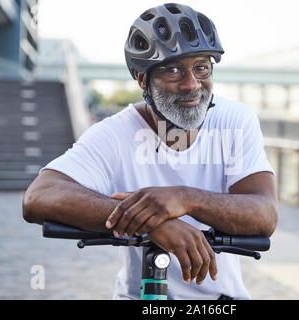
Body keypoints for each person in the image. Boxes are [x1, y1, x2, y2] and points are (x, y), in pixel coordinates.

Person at [22, 3, 278, 300]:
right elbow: (38, 197)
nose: (191, 84)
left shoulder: (235, 120)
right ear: (142, 78)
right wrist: (153, 222)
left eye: (202, 67)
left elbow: (265, 215)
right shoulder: (116, 133)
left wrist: (184, 198)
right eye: (173, 70)